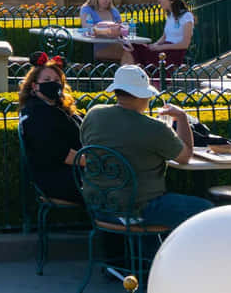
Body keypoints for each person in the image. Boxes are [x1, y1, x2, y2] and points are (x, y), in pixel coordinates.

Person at [77, 65, 214, 228]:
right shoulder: (154, 128)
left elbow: (87, 145)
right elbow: (185, 157)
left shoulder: (94, 114)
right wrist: (182, 117)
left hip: (98, 205)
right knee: (207, 211)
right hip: (137, 209)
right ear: (141, 96)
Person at [16, 54, 81, 204]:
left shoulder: (58, 108)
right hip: (58, 180)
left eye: (57, 81)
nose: (53, 84)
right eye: (46, 81)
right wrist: (97, 162)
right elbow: (60, 153)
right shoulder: (36, 114)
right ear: (34, 86)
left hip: (76, 172)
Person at [133, 0, 194, 68]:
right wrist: (155, 45)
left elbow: (185, 44)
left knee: (141, 54)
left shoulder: (186, 16)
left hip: (174, 52)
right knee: (135, 47)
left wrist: (161, 47)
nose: (159, 0)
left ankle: (151, 76)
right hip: (164, 49)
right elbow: (164, 37)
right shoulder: (170, 15)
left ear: (172, 0)